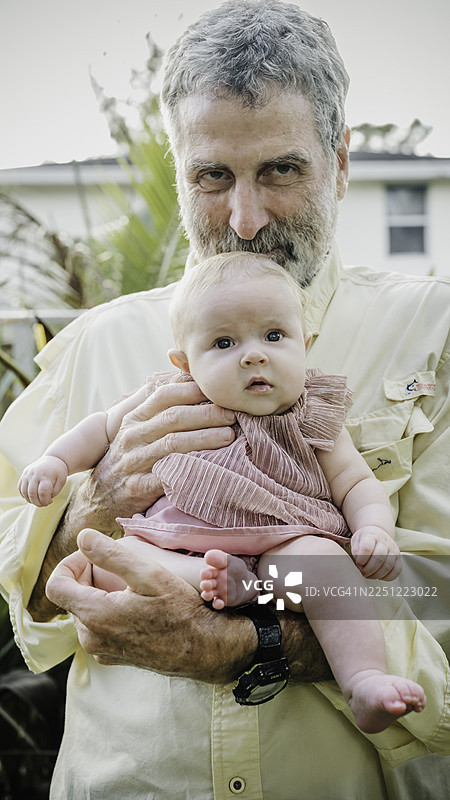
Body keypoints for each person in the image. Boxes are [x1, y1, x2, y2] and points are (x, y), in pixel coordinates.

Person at [0, 1, 449, 797]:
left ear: (341, 163)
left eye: (279, 169)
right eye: (213, 176)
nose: (245, 220)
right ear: (180, 173)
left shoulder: (433, 335)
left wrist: (241, 627)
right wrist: (87, 512)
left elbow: (440, 598)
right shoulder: (97, 346)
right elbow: (25, 596)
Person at [18, 251, 426, 735]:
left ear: (305, 345)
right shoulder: (171, 393)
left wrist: (373, 529)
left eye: (274, 336)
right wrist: (56, 462)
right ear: (185, 363)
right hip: (175, 545)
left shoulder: (312, 412)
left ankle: (364, 679)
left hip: (282, 541)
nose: (254, 354)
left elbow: (357, 483)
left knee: (327, 568)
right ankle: (232, 584)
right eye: (224, 342)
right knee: (113, 560)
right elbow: (102, 428)